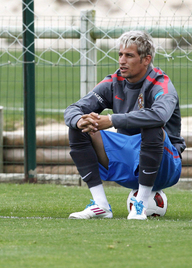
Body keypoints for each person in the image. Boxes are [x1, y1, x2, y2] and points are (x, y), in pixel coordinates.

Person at [64, 30, 185, 220]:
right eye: (120, 54)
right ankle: (100, 205)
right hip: (128, 162)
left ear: (146, 60)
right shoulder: (113, 82)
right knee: (80, 126)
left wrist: (111, 120)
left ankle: (140, 205)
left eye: (129, 55)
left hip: (166, 166)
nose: (122, 60)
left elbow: (159, 116)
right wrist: (79, 120)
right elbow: (74, 108)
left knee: (152, 125)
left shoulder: (162, 84)